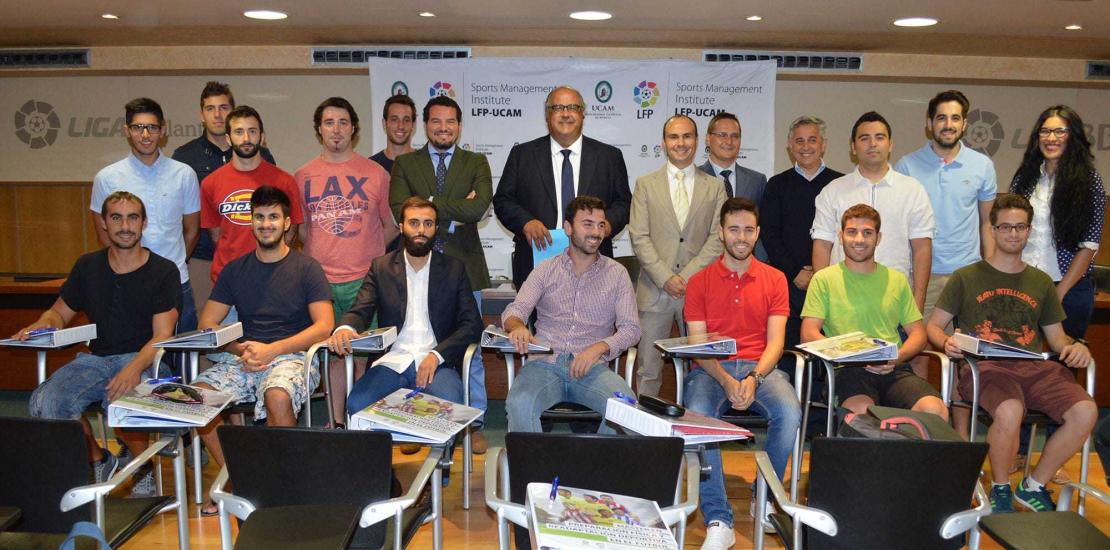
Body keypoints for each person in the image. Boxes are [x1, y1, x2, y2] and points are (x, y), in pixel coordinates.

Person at [926, 193, 1095, 513]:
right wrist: (945, 342)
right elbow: (934, 326)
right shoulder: (966, 276)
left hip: (1034, 369)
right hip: (985, 369)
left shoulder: (1041, 282)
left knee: (1086, 411)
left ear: (1029, 230)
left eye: (1020, 227)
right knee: (1010, 409)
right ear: (993, 230)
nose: (1013, 233)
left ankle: (1033, 486)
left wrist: (1076, 347)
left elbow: (1057, 339)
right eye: (1005, 227)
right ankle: (1001, 488)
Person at [24, 192, 179, 497]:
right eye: (116, 218)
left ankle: (142, 468)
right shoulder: (87, 266)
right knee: (46, 404)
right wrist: (42, 323)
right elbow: (58, 313)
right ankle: (100, 459)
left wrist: (133, 369)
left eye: (133, 218)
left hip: (143, 358)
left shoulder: (163, 271)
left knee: (122, 402)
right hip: (94, 361)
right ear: (105, 223)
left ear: (144, 223)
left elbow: (163, 334)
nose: (125, 226)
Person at [192, 186, 334, 515]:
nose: (266, 224)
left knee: (278, 396)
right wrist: (237, 347)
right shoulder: (235, 270)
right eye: (259, 217)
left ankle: (279, 489)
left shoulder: (307, 268)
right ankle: (239, 480)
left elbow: (324, 326)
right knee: (195, 398)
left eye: (273, 217)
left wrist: (272, 350)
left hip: (292, 356)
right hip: (245, 357)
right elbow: (207, 323)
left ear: (286, 223)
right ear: (251, 222)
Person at [684, 198, 801, 549]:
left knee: (789, 411)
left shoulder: (775, 279)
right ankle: (719, 519)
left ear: (758, 233)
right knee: (699, 414)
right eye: (734, 229)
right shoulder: (699, 281)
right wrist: (726, 380)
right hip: (711, 369)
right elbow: (698, 345)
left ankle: (762, 497)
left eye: (749, 230)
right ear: (721, 233)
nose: (741, 237)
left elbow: (776, 342)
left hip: (760, 368)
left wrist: (753, 379)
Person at [388, 95, 493, 451]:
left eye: (450, 122)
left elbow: (478, 208)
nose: (443, 128)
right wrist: (453, 210)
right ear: (425, 125)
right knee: (413, 344)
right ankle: (415, 420)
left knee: (470, 349)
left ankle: (475, 424)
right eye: (436, 121)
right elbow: (400, 209)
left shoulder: (476, 161)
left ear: (459, 126)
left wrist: (430, 203)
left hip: (466, 268)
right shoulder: (405, 163)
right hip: (415, 265)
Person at [331, 196, 482, 418]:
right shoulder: (381, 267)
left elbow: (472, 324)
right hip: (393, 360)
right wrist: (345, 328)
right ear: (401, 227)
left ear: (435, 228)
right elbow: (360, 309)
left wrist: (437, 355)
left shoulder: (453, 269)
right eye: (414, 223)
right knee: (357, 404)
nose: (421, 230)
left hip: (437, 362)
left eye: (428, 223)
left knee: (450, 407)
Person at [503, 196, 641, 433]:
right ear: (568, 228)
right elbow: (515, 310)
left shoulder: (617, 274)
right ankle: (533, 460)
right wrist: (517, 326)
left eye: (600, 225)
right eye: (587, 224)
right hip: (544, 365)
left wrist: (599, 348)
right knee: (520, 403)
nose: (596, 232)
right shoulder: (546, 269)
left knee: (626, 410)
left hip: (592, 368)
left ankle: (595, 459)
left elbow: (632, 329)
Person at [801, 204, 948, 420]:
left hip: (893, 369)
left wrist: (896, 358)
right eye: (852, 232)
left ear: (878, 238)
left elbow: (918, 334)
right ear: (841, 237)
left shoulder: (896, 280)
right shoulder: (824, 279)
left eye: (867, 233)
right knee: (864, 416)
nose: (859, 239)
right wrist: (852, 355)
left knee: (935, 411)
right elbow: (808, 334)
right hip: (847, 370)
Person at [894, 90, 997, 379]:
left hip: (968, 275)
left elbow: (988, 223)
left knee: (965, 356)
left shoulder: (982, 166)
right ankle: (925, 409)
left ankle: (957, 412)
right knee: (918, 352)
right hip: (921, 276)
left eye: (955, 118)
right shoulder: (907, 165)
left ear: (964, 124)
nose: (948, 124)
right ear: (929, 123)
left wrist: (990, 272)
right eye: (941, 118)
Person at [492, 85, 632, 290]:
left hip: (594, 260)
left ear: (582, 114)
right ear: (547, 115)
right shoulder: (522, 155)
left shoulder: (609, 157)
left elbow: (624, 203)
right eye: (558, 108)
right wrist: (526, 222)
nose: (565, 114)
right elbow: (503, 200)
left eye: (572, 107)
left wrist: (606, 224)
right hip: (537, 260)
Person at [629, 114, 727, 397]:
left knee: (703, 367)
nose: (680, 143)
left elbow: (717, 238)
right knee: (648, 370)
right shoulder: (645, 184)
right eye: (674, 137)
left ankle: (695, 420)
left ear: (697, 141)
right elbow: (639, 236)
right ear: (663, 143)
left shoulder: (715, 187)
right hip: (654, 291)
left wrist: (685, 277)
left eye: (687, 136)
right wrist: (666, 278)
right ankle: (646, 421)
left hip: (698, 291)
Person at [89, 97, 198, 334]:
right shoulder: (107, 178)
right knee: (129, 350)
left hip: (176, 281)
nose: (145, 135)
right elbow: (103, 235)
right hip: (127, 283)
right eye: (138, 127)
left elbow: (191, 231)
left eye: (152, 127)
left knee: (183, 351)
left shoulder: (184, 174)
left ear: (163, 130)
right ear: (126, 131)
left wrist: (169, 268)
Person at [811, 111, 935, 316]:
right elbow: (822, 246)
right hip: (842, 302)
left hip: (895, 302)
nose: (872, 144)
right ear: (853, 147)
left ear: (890, 144)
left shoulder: (912, 190)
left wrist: (917, 303)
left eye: (879, 137)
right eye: (864, 138)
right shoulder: (833, 191)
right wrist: (823, 299)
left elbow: (922, 248)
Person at [172, 81, 276, 313]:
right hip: (202, 257)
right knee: (207, 325)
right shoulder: (185, 156)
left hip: (255, 258)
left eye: (224, 108)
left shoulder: (261, 154)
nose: (218, 115)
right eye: (210, 109)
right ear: (201, 115)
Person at [296, 96, 396, 324]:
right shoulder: (302, 176)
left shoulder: (377, 174)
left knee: (365, 344)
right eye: (329, 122)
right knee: (324, 345)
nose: (336, 129)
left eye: (343, 122)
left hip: (365, 280)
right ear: (319, 129)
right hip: (318, 281)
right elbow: (301, 229)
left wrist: (367, 251)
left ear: (353, 128)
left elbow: (392, 226)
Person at [1009, 105, 1105, 341]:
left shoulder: (1089, 181)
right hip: (1023, 284)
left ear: (1073, 136)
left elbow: (1089, 245)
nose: (1051, 138)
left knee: (1064, 359)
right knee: (1017, 356)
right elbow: (1009, 227)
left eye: (1060, 131)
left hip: (1069, 290)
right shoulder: (1024, 178)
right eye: (1045, 131)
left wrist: (1057, 295)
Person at [760, 115, 844, 379]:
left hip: (830, 284)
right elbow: (769, 234)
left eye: (812, 140)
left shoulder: (841, 184)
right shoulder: (776, 185)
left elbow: (846, 235)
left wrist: (821, 275)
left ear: (823, 144)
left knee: (825, 354)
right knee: (787, 354)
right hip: (787, 284)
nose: (805, 146)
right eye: (799, 141)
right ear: (789, 145)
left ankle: (820, 404)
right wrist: (795, 272)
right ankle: (788, 400)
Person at [200, 105, 303, 287]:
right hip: (228, 280)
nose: (246, 138)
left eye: (252, 131)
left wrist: (274, 263)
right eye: (239, 132)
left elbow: (291, 231)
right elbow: (216, 236)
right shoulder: (210, 183)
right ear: (228, 139)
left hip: (273, 279)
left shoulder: (285, 181)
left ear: (261, 137)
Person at [698, 111, 768, 260]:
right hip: (705, 265)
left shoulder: (757, 181)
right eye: (722, 135)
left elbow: (763, 228)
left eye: (735, 136)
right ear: (708, 139)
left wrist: (760, 261)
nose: (729, 141)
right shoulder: (694, 179)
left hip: (746, 264)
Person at [369, 93, 417, 175]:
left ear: (413, 124)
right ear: (384, 123)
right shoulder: (371, 165)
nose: (401, 126)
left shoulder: (426, 164)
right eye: (394, 119)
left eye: (406, 120)